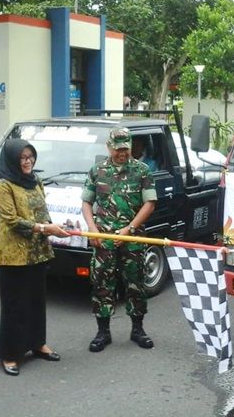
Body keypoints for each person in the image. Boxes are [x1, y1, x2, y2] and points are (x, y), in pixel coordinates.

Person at [0, 139, 70, 376]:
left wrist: (55, 225)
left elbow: (41, 211)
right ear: (12, 160)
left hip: (36, 251)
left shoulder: (35, 179)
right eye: (22, 158)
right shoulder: (3, 185)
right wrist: (46, 229)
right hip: (13, 253)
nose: (27, 162)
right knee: (15, 304)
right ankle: (9, 353)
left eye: (30, 157)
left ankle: (37, 344)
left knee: (36, 300)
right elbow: (11, 220)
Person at [81, 127, 157, 353]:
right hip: (103, 239)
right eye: (117, 149)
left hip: (132, 238)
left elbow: (150, 203)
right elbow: (86, 203)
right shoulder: (97, 171)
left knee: (136, 283)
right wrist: (92, 229)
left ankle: (138, 330)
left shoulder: (142, 171)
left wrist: (129, 228)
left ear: (130, 146)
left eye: (125, 148)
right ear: (109, 147)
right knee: (102, 284)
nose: (121, 153)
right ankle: (103, 332)